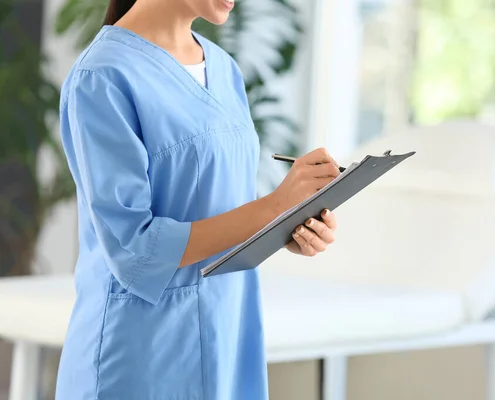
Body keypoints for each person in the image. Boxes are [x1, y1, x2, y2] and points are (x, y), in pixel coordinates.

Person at [54, 0, 340, 398]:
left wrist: (287, 224)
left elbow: (220, 203)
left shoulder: (224, 67)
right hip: (141, 354)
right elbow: (134, 248)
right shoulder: (102, 77)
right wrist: (273, 206)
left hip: (228, 335)